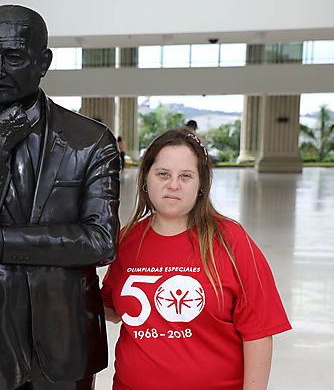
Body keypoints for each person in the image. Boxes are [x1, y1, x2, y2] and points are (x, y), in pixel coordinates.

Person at [0, 4, 122, 389]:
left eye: (12, 57)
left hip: (67, 344)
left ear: (42, 61)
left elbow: (101, 242)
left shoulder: (91, 141)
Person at [101, 129, 291, 390]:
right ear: (146, 178)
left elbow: (258, 332)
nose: (173, 184)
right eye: (163, 174)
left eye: (185, 176)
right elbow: (111, 308)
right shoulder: (126, 240)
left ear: (202, 184)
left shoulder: (230, 240)